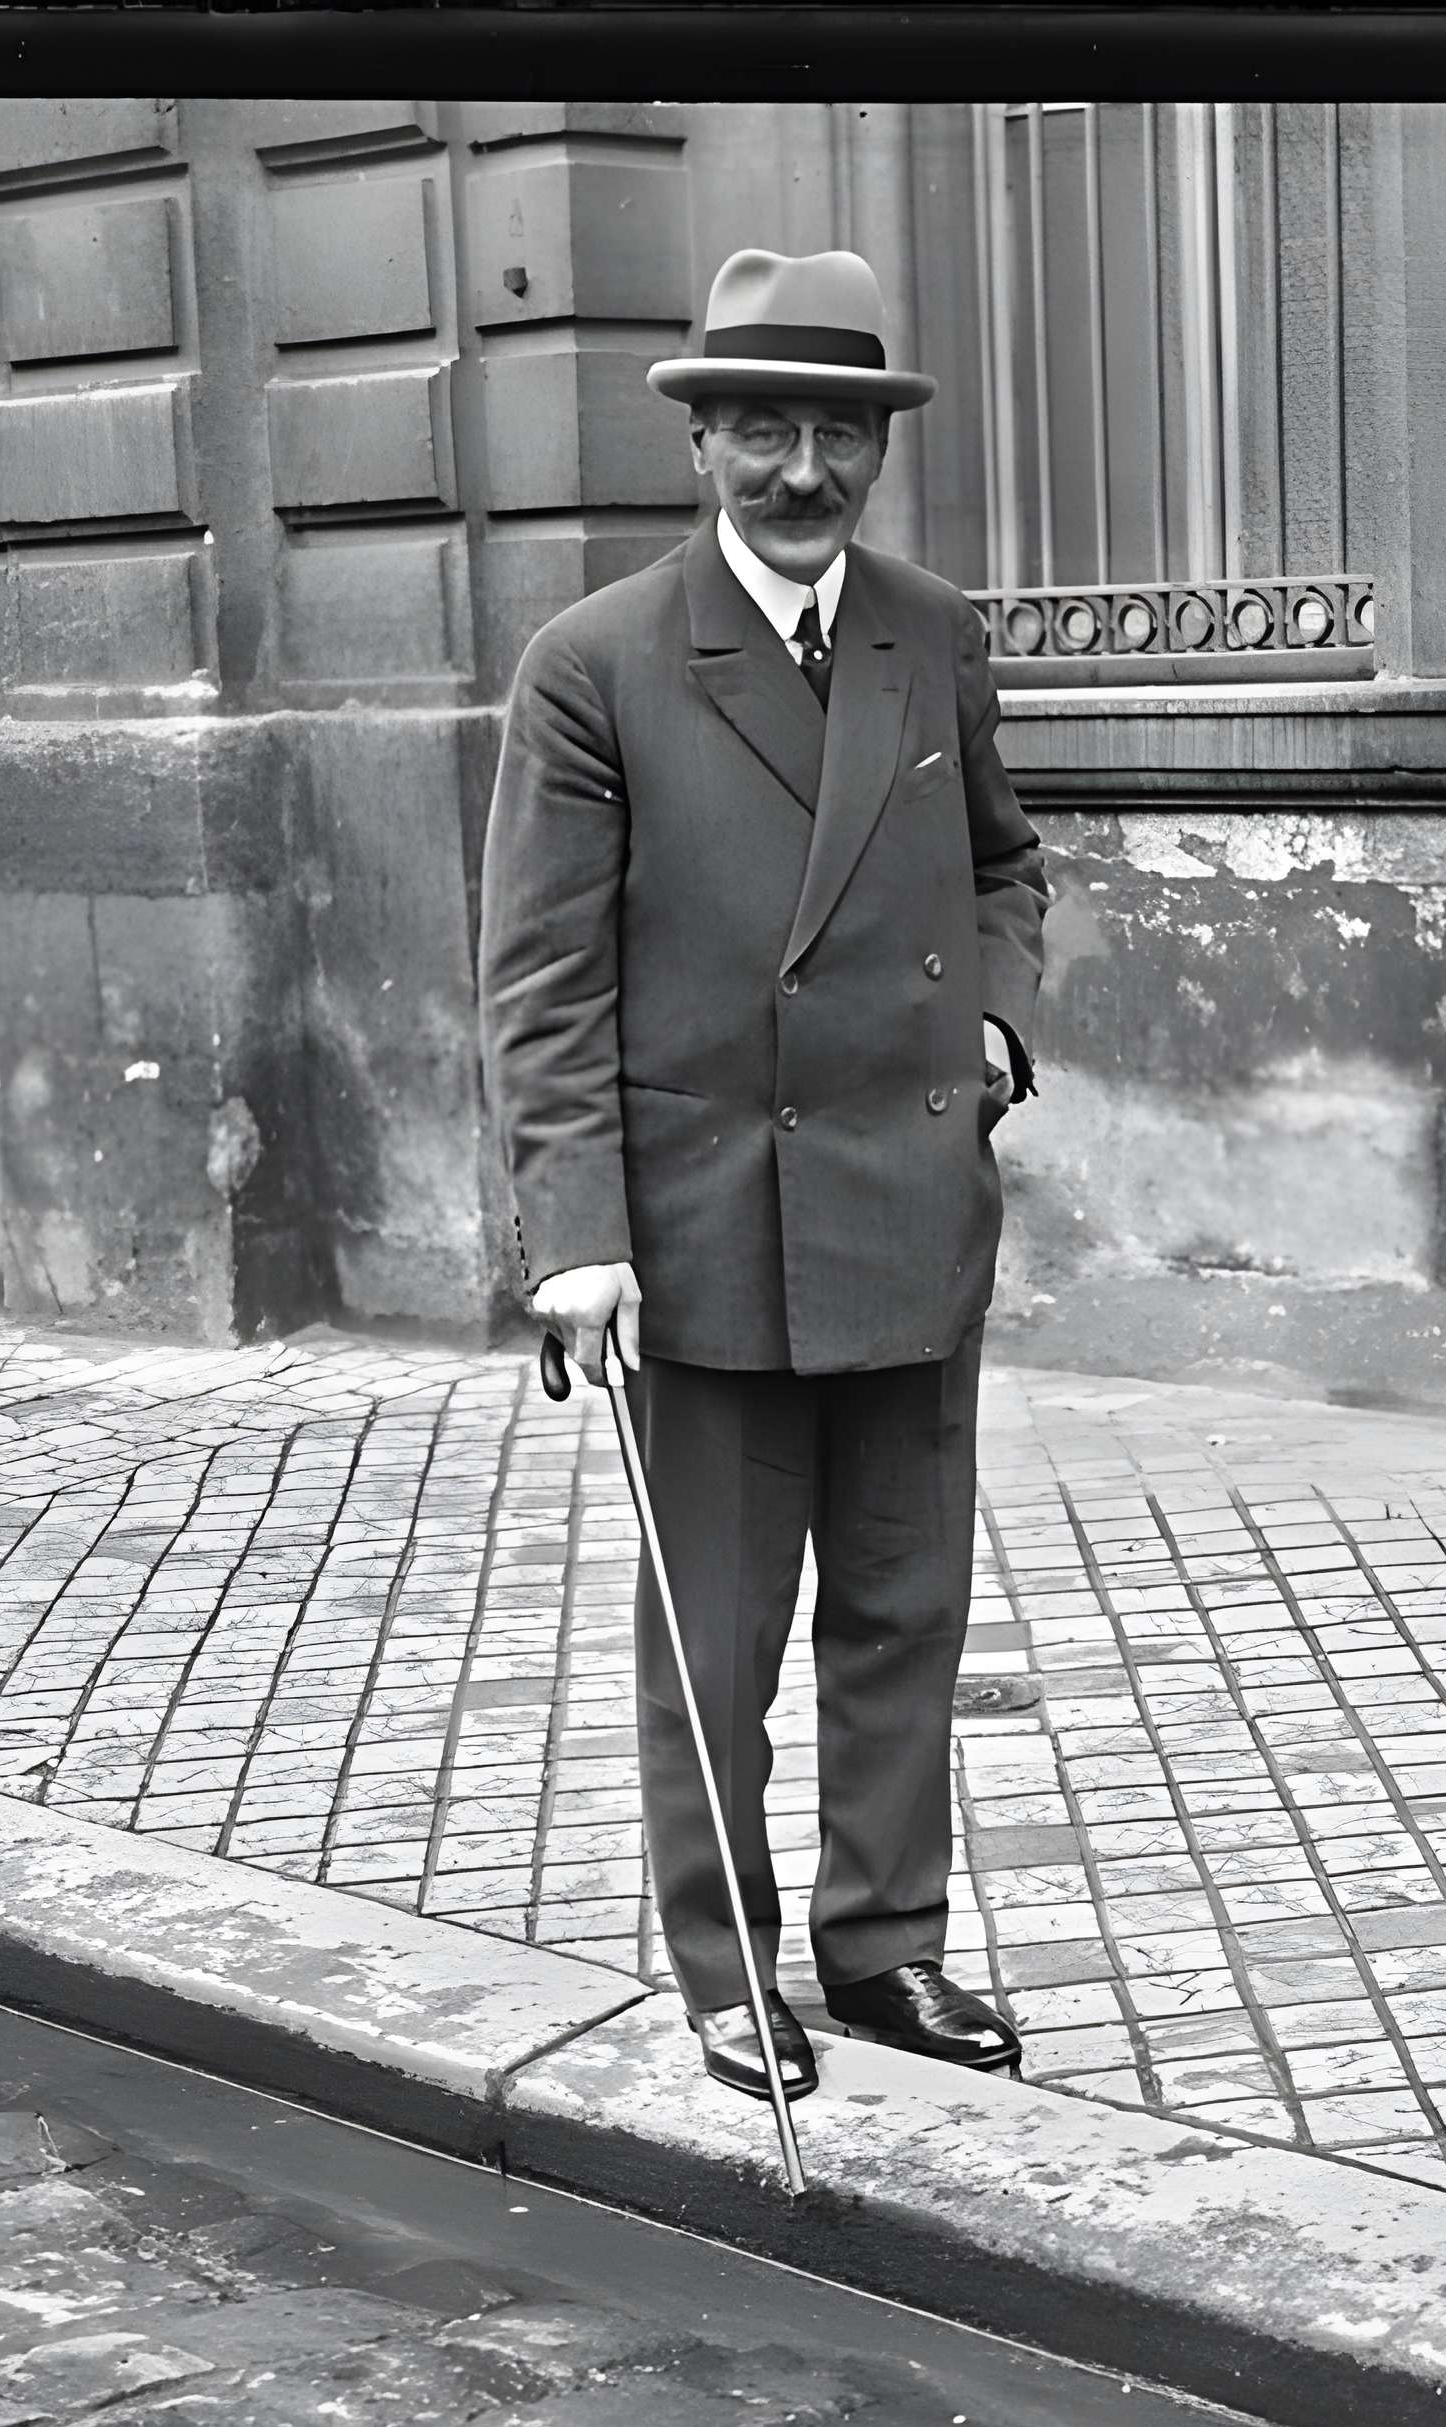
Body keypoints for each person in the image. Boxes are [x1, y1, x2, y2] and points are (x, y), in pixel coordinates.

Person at [479, 248, 1049, 2105]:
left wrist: (995, 1039)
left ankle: (886, 1949)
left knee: (905, 1610)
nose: (804, 472)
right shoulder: (595, 667)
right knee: (716, 1634)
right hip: (709, 1227)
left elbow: (1006, 866)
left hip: (905, 1201)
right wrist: (576, 1237)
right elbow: (543, 977)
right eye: (765, 431)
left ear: (877, 449)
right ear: (704, 440)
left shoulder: (930, 628)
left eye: (839, 435)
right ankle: (727, 1971)